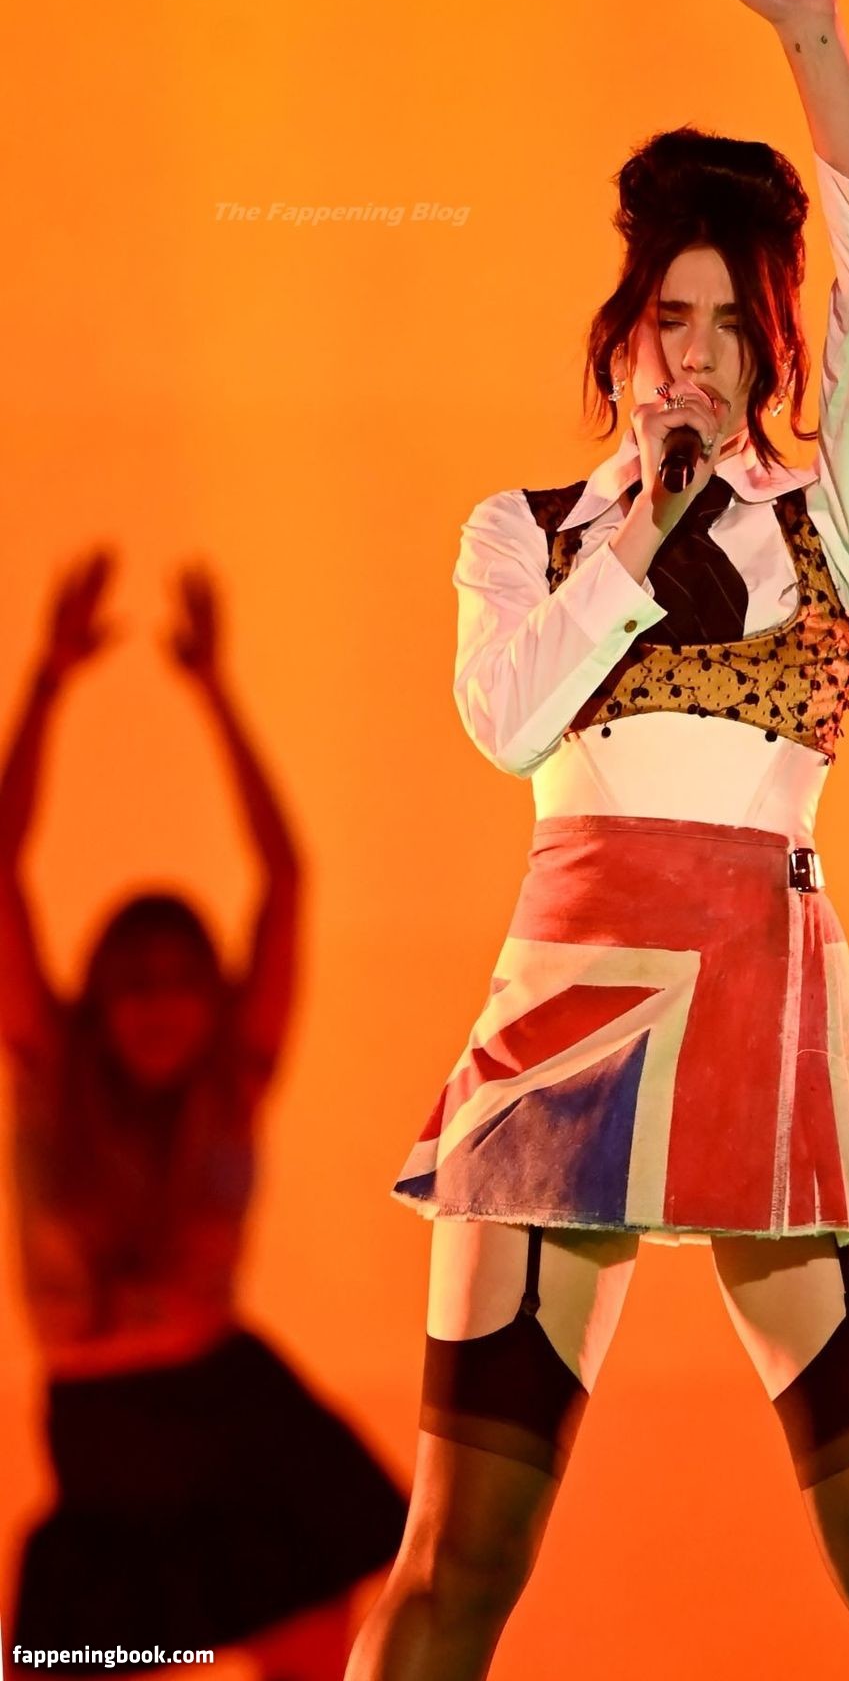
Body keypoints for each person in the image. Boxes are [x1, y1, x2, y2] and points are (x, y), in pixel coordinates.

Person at [347, 0, 849, 1681]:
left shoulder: (836, 518)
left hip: (770, 1020)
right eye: (672, 321)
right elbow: (506, 722)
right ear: (623, 334)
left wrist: (815, 42)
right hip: (566, 1023)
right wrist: (634, 530)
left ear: (771, 342)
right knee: (452, 1567)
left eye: (734, 326)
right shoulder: (528, 533)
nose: (701, 357)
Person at [0, 551, 407, 1680]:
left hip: (231, 1419)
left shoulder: (232, 1083)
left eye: (185, 981)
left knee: (309, 1654)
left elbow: (285, 880)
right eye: (135, 983)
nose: (159, 1008)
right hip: (102, 1442)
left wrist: (218, 695)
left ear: (216, 999)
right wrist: (46, 684)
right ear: (96, 1000)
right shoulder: (51, 1076)